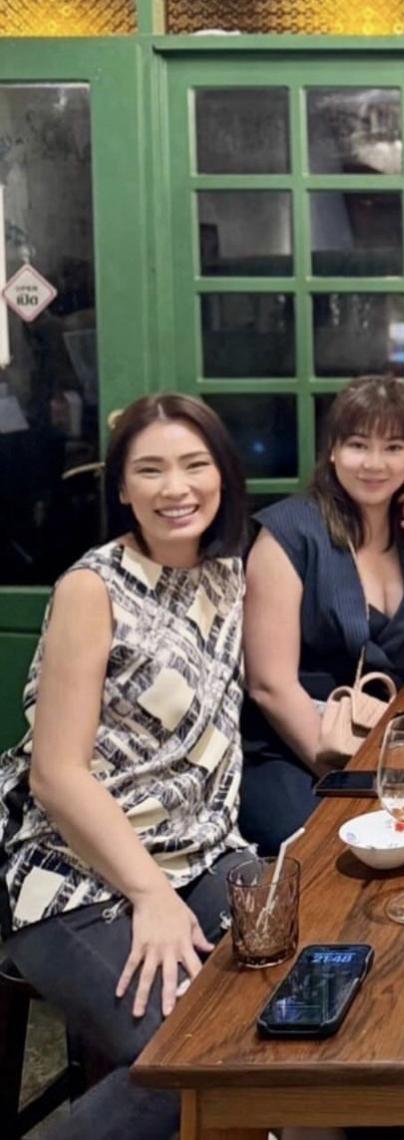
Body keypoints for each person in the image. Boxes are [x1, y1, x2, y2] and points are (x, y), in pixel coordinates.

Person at [0, 394, 251, 1140]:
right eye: (150, 470)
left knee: (323, 970)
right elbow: (56, 775)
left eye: (194, 465)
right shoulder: (92, 588)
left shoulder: (226, 576)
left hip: (201, 855)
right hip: (73, 874)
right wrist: (151, 895)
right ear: (121, 487)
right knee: (187, 1059)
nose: (176, 488)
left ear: (222, 474)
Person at [240, 376, 404, 852]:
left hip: (393, 745)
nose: (374, 463)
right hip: (296, 752)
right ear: (333, 451)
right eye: (358, 445)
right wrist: (350, 776)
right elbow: (269, 684)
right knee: (330, 848)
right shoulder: (290, 532)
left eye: (393, 447)